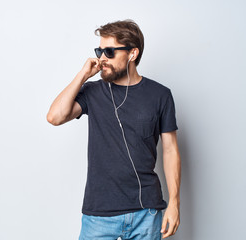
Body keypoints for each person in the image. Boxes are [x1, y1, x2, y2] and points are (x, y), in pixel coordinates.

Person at [46, 19, 181, 240]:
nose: (102, 58)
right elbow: (54, 117)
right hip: (99, 213)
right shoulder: (93, 91)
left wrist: (174, 203)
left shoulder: (160, 95)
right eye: (99, 51)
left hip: (146, 212)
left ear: (132, 53)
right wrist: (82, 75)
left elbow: (170, 150)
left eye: (109, 51)